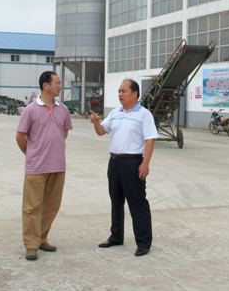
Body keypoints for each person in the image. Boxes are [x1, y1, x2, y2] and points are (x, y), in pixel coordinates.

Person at [89, 79, 158, 257]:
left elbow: (150, 140)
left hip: (132, 163)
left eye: (124, 91)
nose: (120, 94)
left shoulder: (144, 114)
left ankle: (143, 242)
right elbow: (101, 131)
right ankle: (116, 236)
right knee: (116, 201)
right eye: (119, 91)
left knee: (137, 203)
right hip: (114, 162)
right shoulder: (115, 113)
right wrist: (96, 122)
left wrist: (145, 164)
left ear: (135, 93)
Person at [16, 71, 72, 261]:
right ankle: (31, 244)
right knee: (32, 207)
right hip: (36, 167)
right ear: (45, 85)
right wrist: (33, 153)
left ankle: (42, 237)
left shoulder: (63, 109)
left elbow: (64, 133)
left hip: (58, 165)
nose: (60, 86)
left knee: (52, 206)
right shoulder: (30, 110)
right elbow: (20, 136)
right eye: (57, 83)